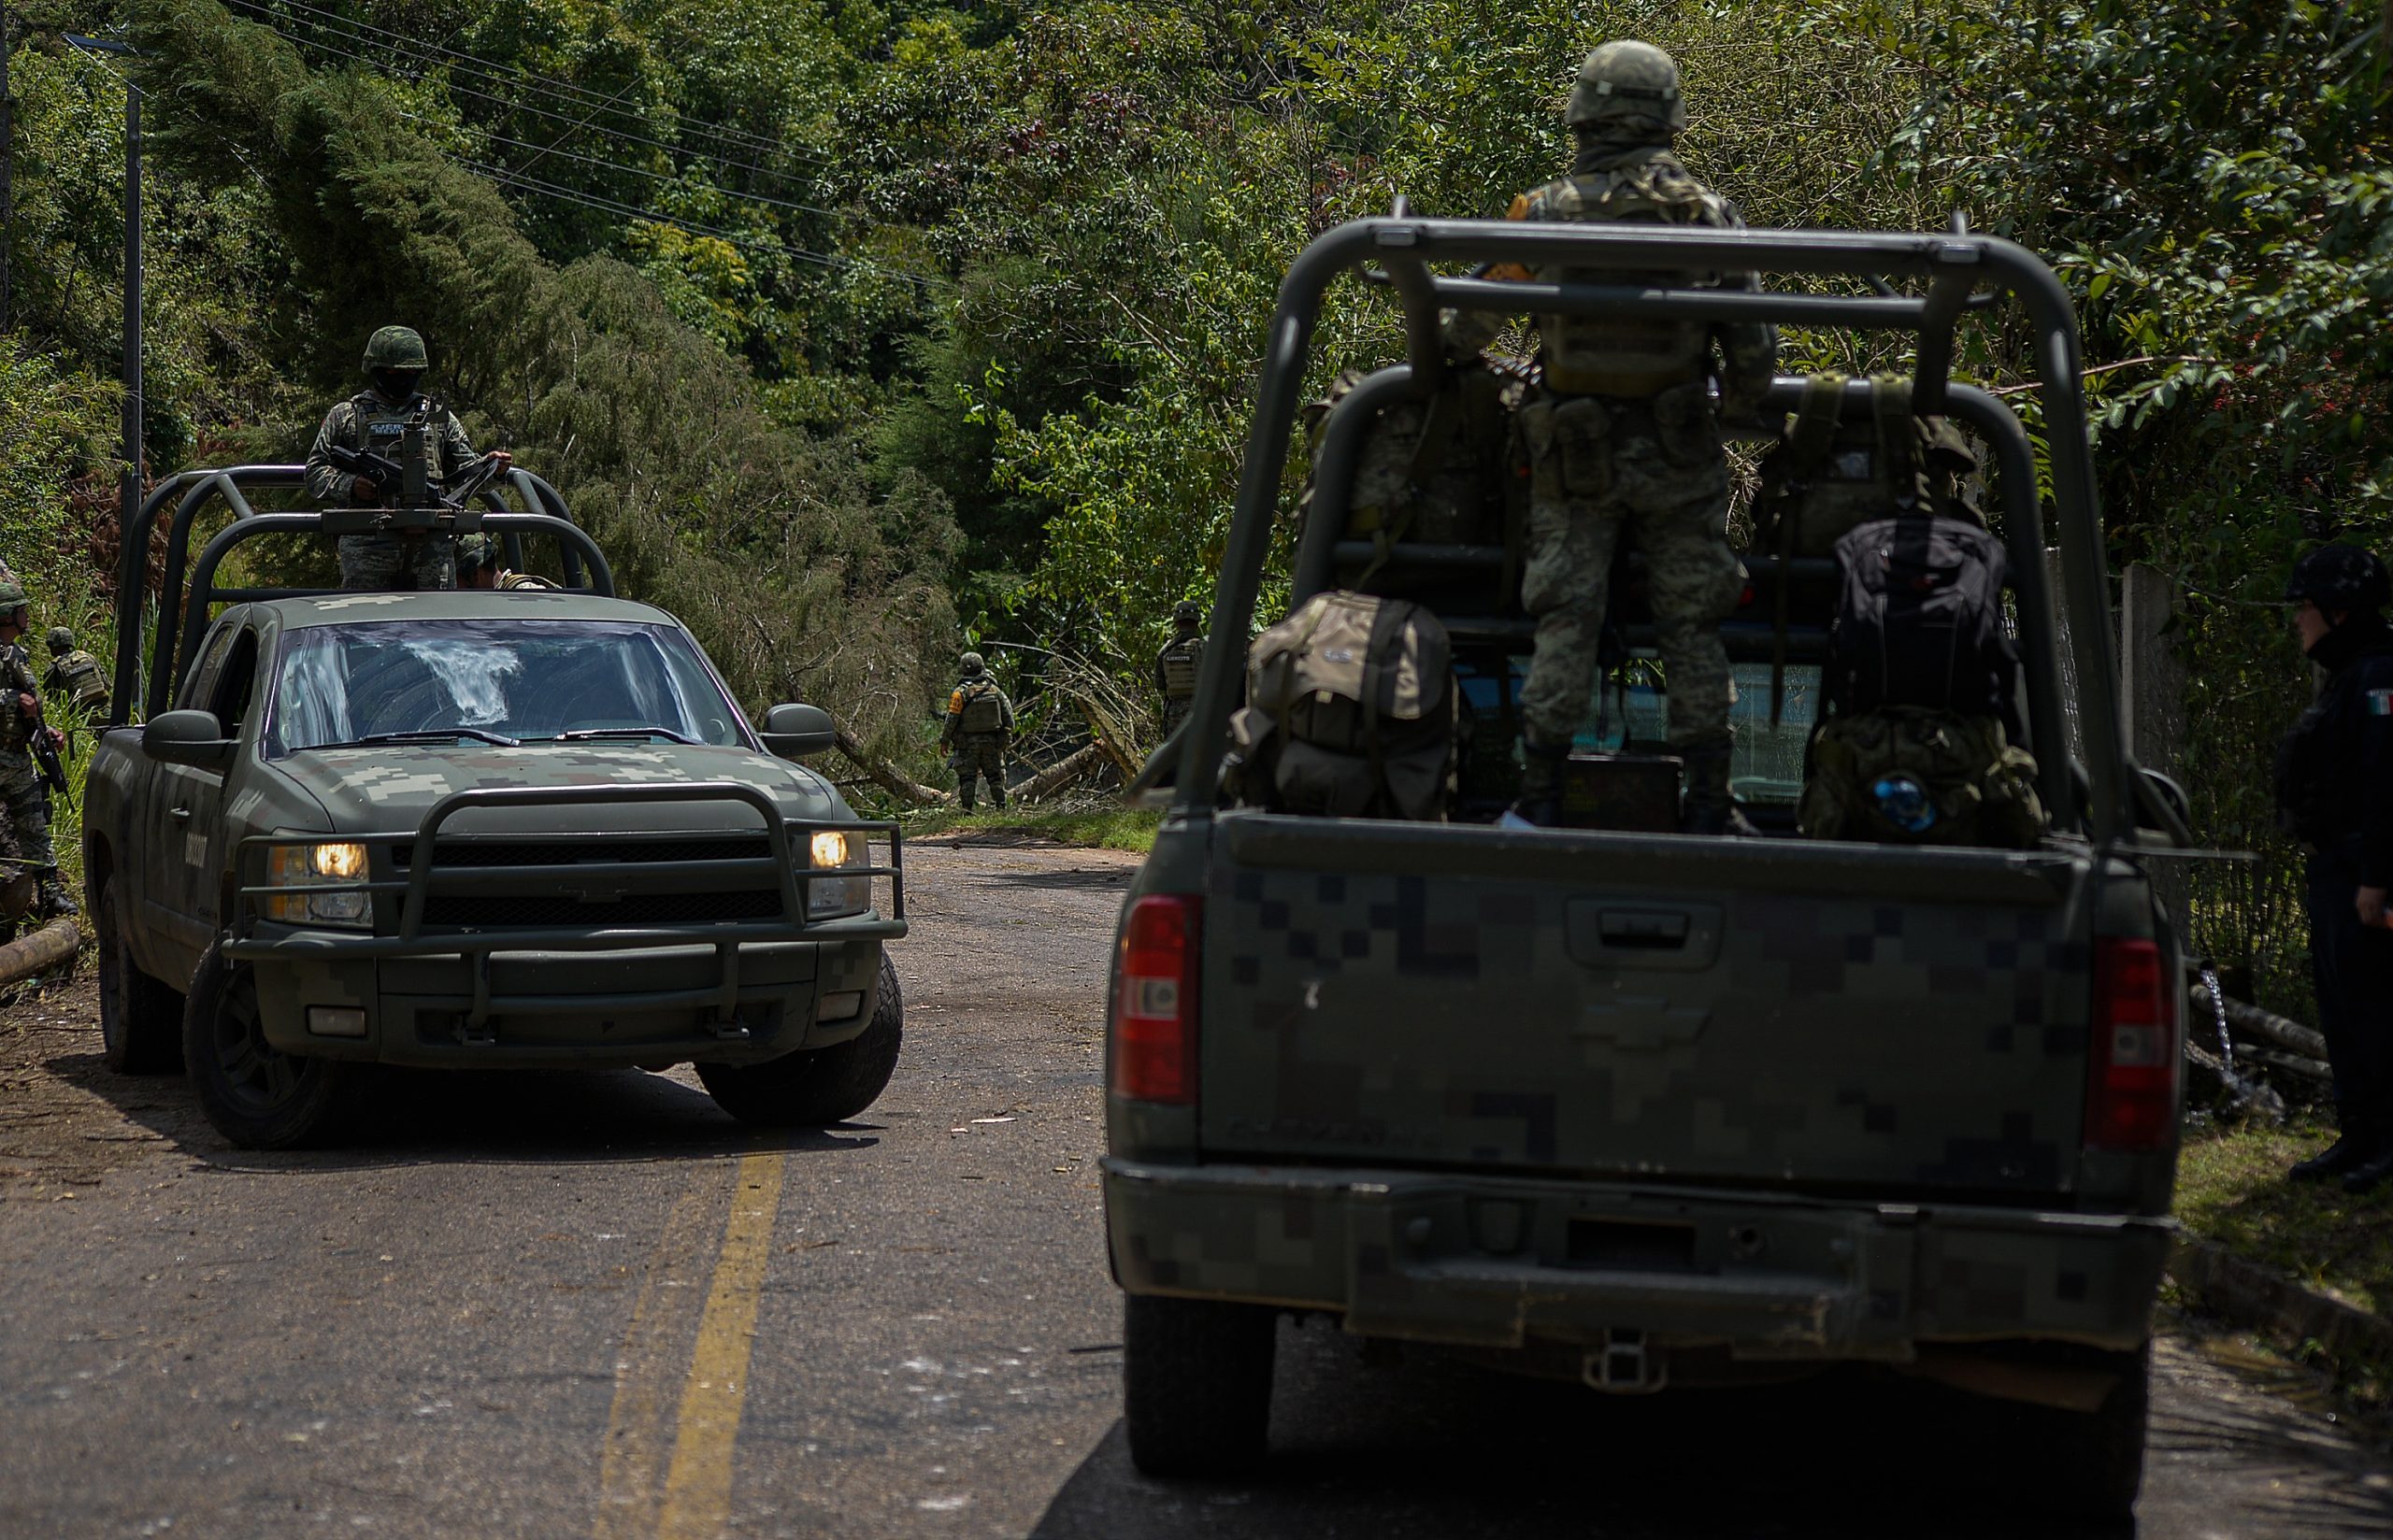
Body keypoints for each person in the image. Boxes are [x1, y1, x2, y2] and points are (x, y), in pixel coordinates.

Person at [1445, 40, 1778, 834]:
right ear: (1668, 116)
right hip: (1679, 455)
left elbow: (1468, 325)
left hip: (1574, 457)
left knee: (1566, 616)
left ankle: (1541, 800)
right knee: (1692, 624)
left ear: (1584, 114)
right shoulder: (1709, 214)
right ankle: (1708, 805)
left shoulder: (1547, 211)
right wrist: (1729, 405)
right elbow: (1756, 357)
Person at [2274, 543, 2393, 1192]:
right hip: (2336, 871)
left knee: (2375, 1010)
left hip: (2364, 874)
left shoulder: (2379, 677)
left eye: (2307, 608)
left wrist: (2376, 879)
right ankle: (2358, 1136)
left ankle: (2384, 1140)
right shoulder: (2350, 676)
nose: (2299, 620)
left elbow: (2385, 784)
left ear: (2341, 612)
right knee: (2345, 1008)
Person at [304, 325, 508, 592]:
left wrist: (492, 468)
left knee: (435, 625)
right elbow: (315, 472)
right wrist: (351, 485)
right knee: (365, 627)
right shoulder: (347, 416)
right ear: (377, 370)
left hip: (431, 545)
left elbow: (468, 476)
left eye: (411, 372)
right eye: (394, 372)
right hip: (368, 544)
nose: (403, 378)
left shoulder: (436, 416)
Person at [0, 584, 74, 918]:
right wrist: (16, 701)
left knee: (35, 823)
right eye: (22, 611)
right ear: (7, 615)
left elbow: (28, 712)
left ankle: (50, 894)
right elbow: (15, 702)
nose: (27, 617)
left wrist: (47, 732)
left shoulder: (17, 656)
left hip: (16, 756)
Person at [940, 652, 1014, 812]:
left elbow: (951, 720)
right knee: (995, 777)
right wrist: (1004, 738)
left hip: (967, 744)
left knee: (967, 778)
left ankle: (967, 811)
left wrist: (944, 741)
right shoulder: (995, 690)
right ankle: (1001, 808)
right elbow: (1009, 719)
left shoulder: (959, 693)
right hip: (992, 742)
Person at [1154, 601, 1206, 737]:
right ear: (1197, 622)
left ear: (1176, 623)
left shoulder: (1165, 650)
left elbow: (1160, 686)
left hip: (1175, 716)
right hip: (1202, 712)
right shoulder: (1207, 648)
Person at [40, 627, 110, 720]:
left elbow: (52, 699)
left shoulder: (55, 666)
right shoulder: (88, 657)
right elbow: (107, 684)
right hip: (105, 710)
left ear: (54, 645)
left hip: (80, 716)